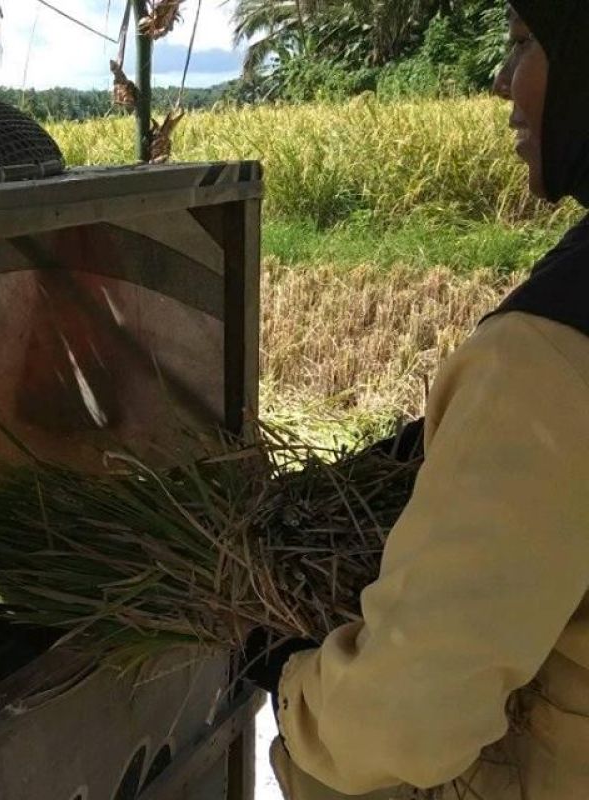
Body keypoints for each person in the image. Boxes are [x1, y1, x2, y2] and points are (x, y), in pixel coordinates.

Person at [241, 2, 589, 798]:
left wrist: (292, 683)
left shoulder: (547, 358)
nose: (501, 79)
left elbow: (405, 717)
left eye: (526, 42)